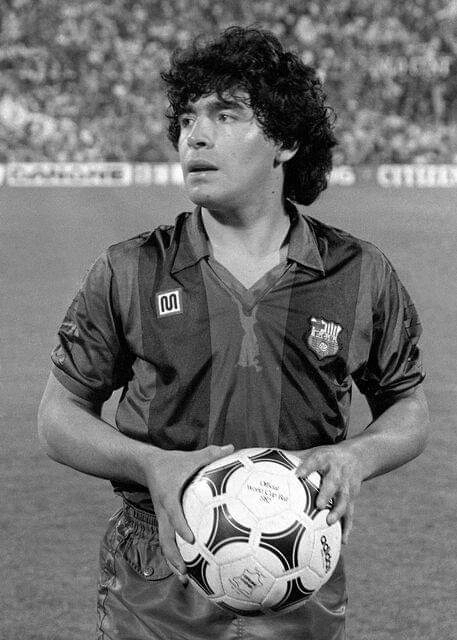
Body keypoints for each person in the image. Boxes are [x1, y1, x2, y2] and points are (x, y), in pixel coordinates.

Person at [38, 26, 429, 640]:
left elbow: (408, 406)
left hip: (300, 565)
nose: (195, 135)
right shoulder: (129, 269)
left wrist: (356, 457)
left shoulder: (360, 273)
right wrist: (150, 463)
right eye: (187, 118)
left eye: (226, 115)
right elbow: (57, 417)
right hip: (157, 579)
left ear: (286, 142)